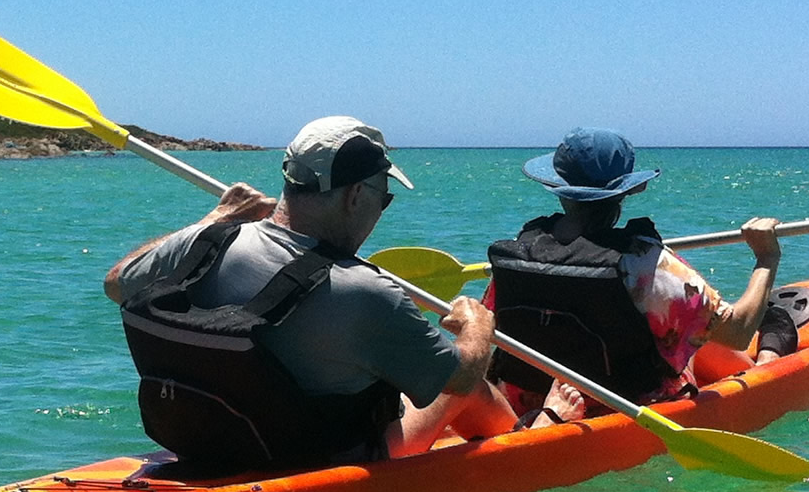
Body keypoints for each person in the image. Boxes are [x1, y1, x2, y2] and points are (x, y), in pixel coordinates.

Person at [105, 116, 518, 469]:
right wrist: (477, 327)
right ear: (356, 195)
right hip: (320, 459)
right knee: (472, 386)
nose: (380, 210)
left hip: (214, 448)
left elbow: (118, 282)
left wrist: (213, 219)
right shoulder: (366, 291)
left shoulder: (205, 242)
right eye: (384, 198)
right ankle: (534, 439)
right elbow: (458, 378)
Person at [485, 127, 797, 412]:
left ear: (558, 186)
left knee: (681, 322)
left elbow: (491, 327)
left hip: (535, 402)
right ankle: (768, 359)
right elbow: (740, 332)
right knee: (691, 326)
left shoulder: (518, 253)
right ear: (628, 190)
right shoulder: (643, 261)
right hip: (626, 403)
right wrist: (766, 258)